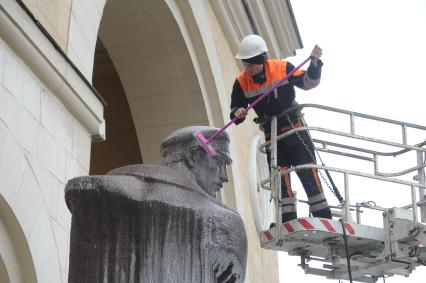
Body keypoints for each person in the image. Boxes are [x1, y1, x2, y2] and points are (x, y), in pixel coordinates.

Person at [66, 126, 247, 283]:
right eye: (220, 162)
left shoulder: (94, 191)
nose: (224, 176)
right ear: (193, 156)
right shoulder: (224, 223)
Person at [230, 34, 332, 223]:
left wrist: (315, 64)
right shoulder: (242, 82)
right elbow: (235, 110)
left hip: (293, 126)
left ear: (261, 60)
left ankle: (323, 216)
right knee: (279, 176)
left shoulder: (282, 68)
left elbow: (308, 83)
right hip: (271, 132)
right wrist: (238, 113)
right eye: (245, 64)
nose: (248, 68)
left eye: (251, 64)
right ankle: (286, 219)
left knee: (307, 169)